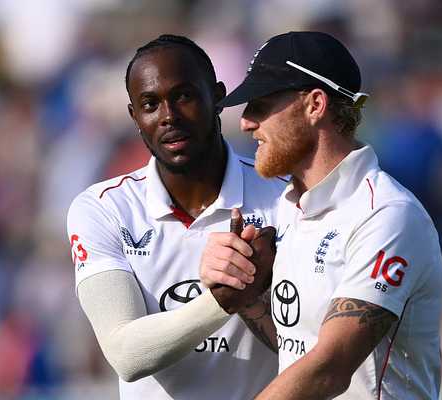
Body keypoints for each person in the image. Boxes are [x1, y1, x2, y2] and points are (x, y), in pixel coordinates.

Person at [200, 31, 442, 399]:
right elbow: (300, 346)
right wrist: (246, 295)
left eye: (261, 105)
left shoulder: (387, 215)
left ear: (315, 104)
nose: (246, 122)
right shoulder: (288, 206)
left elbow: (330, 368)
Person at [66, 34, 286, 399]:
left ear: (218, 97)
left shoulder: (286, 197)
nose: (169, 116)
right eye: (150, 104)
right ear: (134, 117)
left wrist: (253, 300)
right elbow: (125, 354)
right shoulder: (104, 208)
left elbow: (316, 349)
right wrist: (225, 298)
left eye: (184, 96)